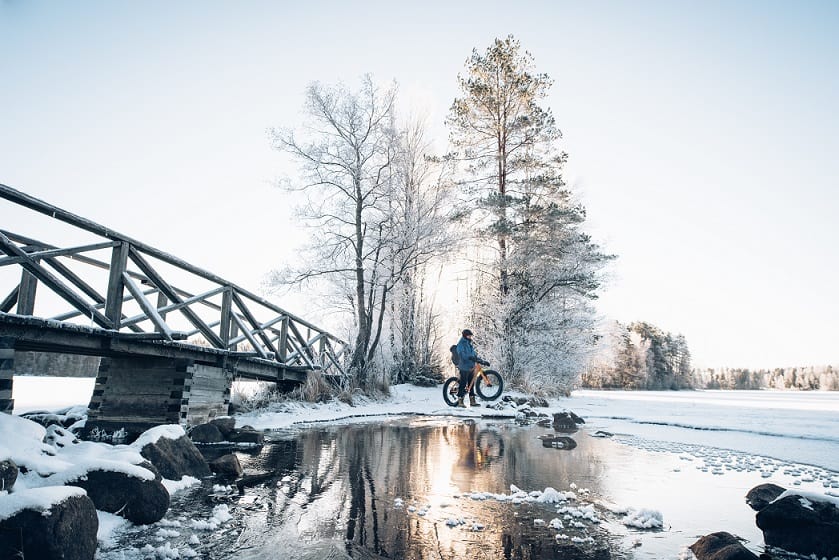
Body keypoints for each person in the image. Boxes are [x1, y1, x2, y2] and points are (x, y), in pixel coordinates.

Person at [455, 329, 488, 408]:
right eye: (469, 336)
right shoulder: (461, 344)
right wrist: (469, 357)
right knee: (463, 383)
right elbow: (462, 355)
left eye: (470, 336)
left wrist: (481, 361)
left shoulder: (469, 344)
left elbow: (474, 355)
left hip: (470, 366)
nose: (470, 337)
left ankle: (472, 401)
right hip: (463, 366)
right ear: (465, 336)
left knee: (471, 383)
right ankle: (460, 401)